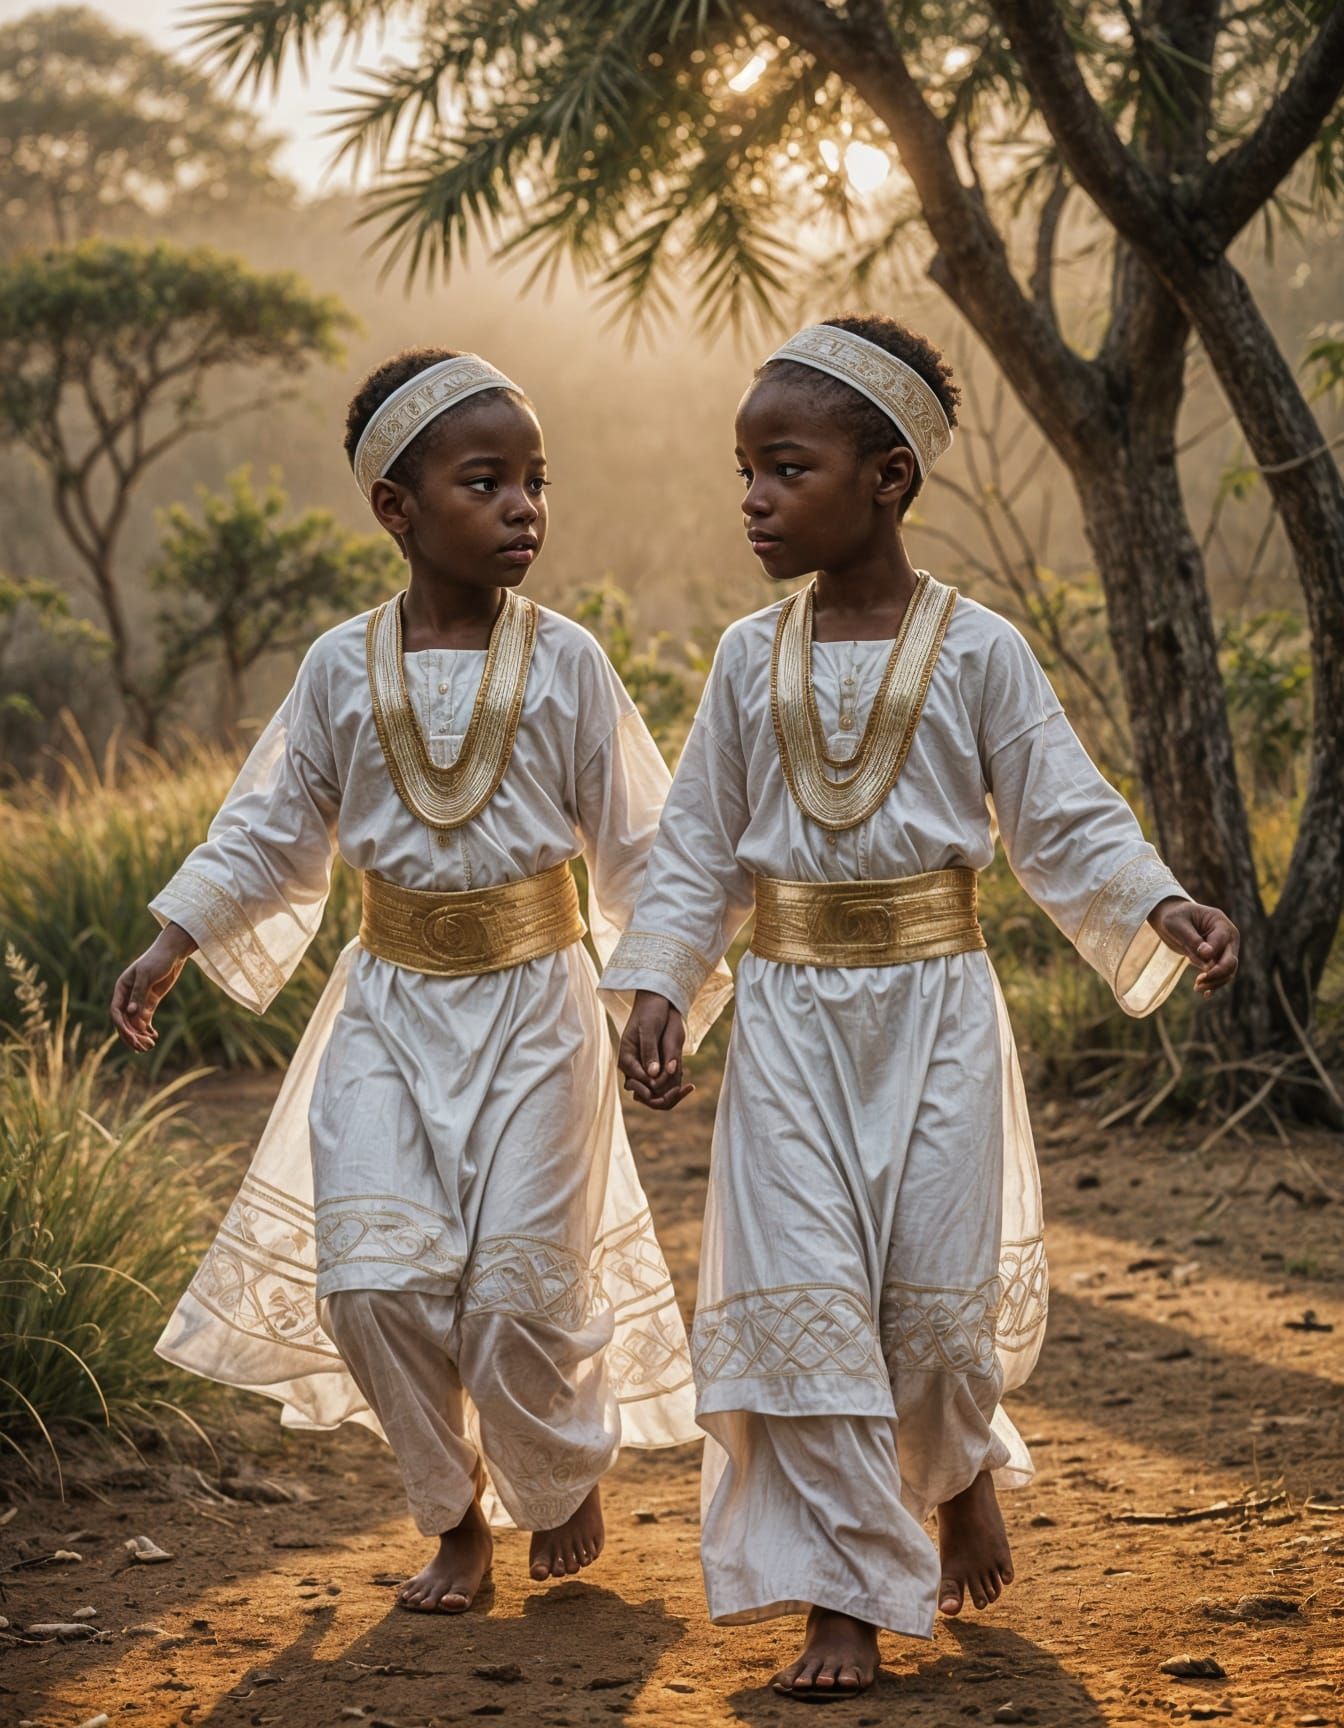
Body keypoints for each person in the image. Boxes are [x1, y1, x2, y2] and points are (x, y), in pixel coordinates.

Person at [600, 316, 1240, 1697]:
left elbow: (1061, 814)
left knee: (938, 1331)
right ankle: (845, 1596)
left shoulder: (982, 650)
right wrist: (655, 980)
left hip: (938, 1018)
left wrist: (1156, 903)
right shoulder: (740, 659)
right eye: (745, 470)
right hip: (784, 1026)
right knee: (807, 1310)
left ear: (887, 478)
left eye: (787, 467)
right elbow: (700, 848)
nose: (755, 498)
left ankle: (954, 1479)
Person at [111, 347, 723, 1614]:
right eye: (486, 482)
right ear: (396, 509)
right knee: (373, 1283)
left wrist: (653, 990)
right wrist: (175, 934)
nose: (523, 509)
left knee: (512, 1301)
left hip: (540, 1015)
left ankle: (555, 1482)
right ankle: (452, 1515)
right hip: (384, 1013)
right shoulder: (339, 667)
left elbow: (651, 849)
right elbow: (268, 828)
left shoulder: (569, 663)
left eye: (536, 483)